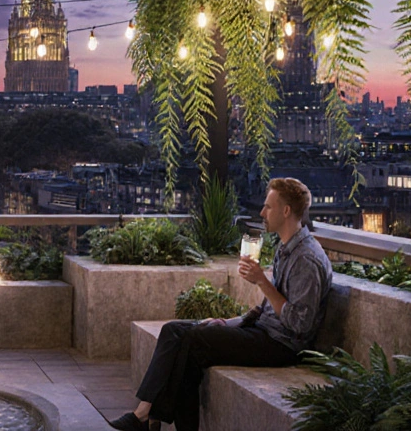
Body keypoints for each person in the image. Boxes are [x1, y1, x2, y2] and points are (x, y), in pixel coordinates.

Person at [109, 178, 333, 431]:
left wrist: (262, 282)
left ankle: (146, 415)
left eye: (268, 207)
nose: (262, 213)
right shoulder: (286, 249)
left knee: (192, 342)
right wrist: (228, 322)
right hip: (263, 331)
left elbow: (299, 325)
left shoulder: (307, 259)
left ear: (286, 211)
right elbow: (267, 309)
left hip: (282, 344)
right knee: (174, 330)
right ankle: (146, 413)